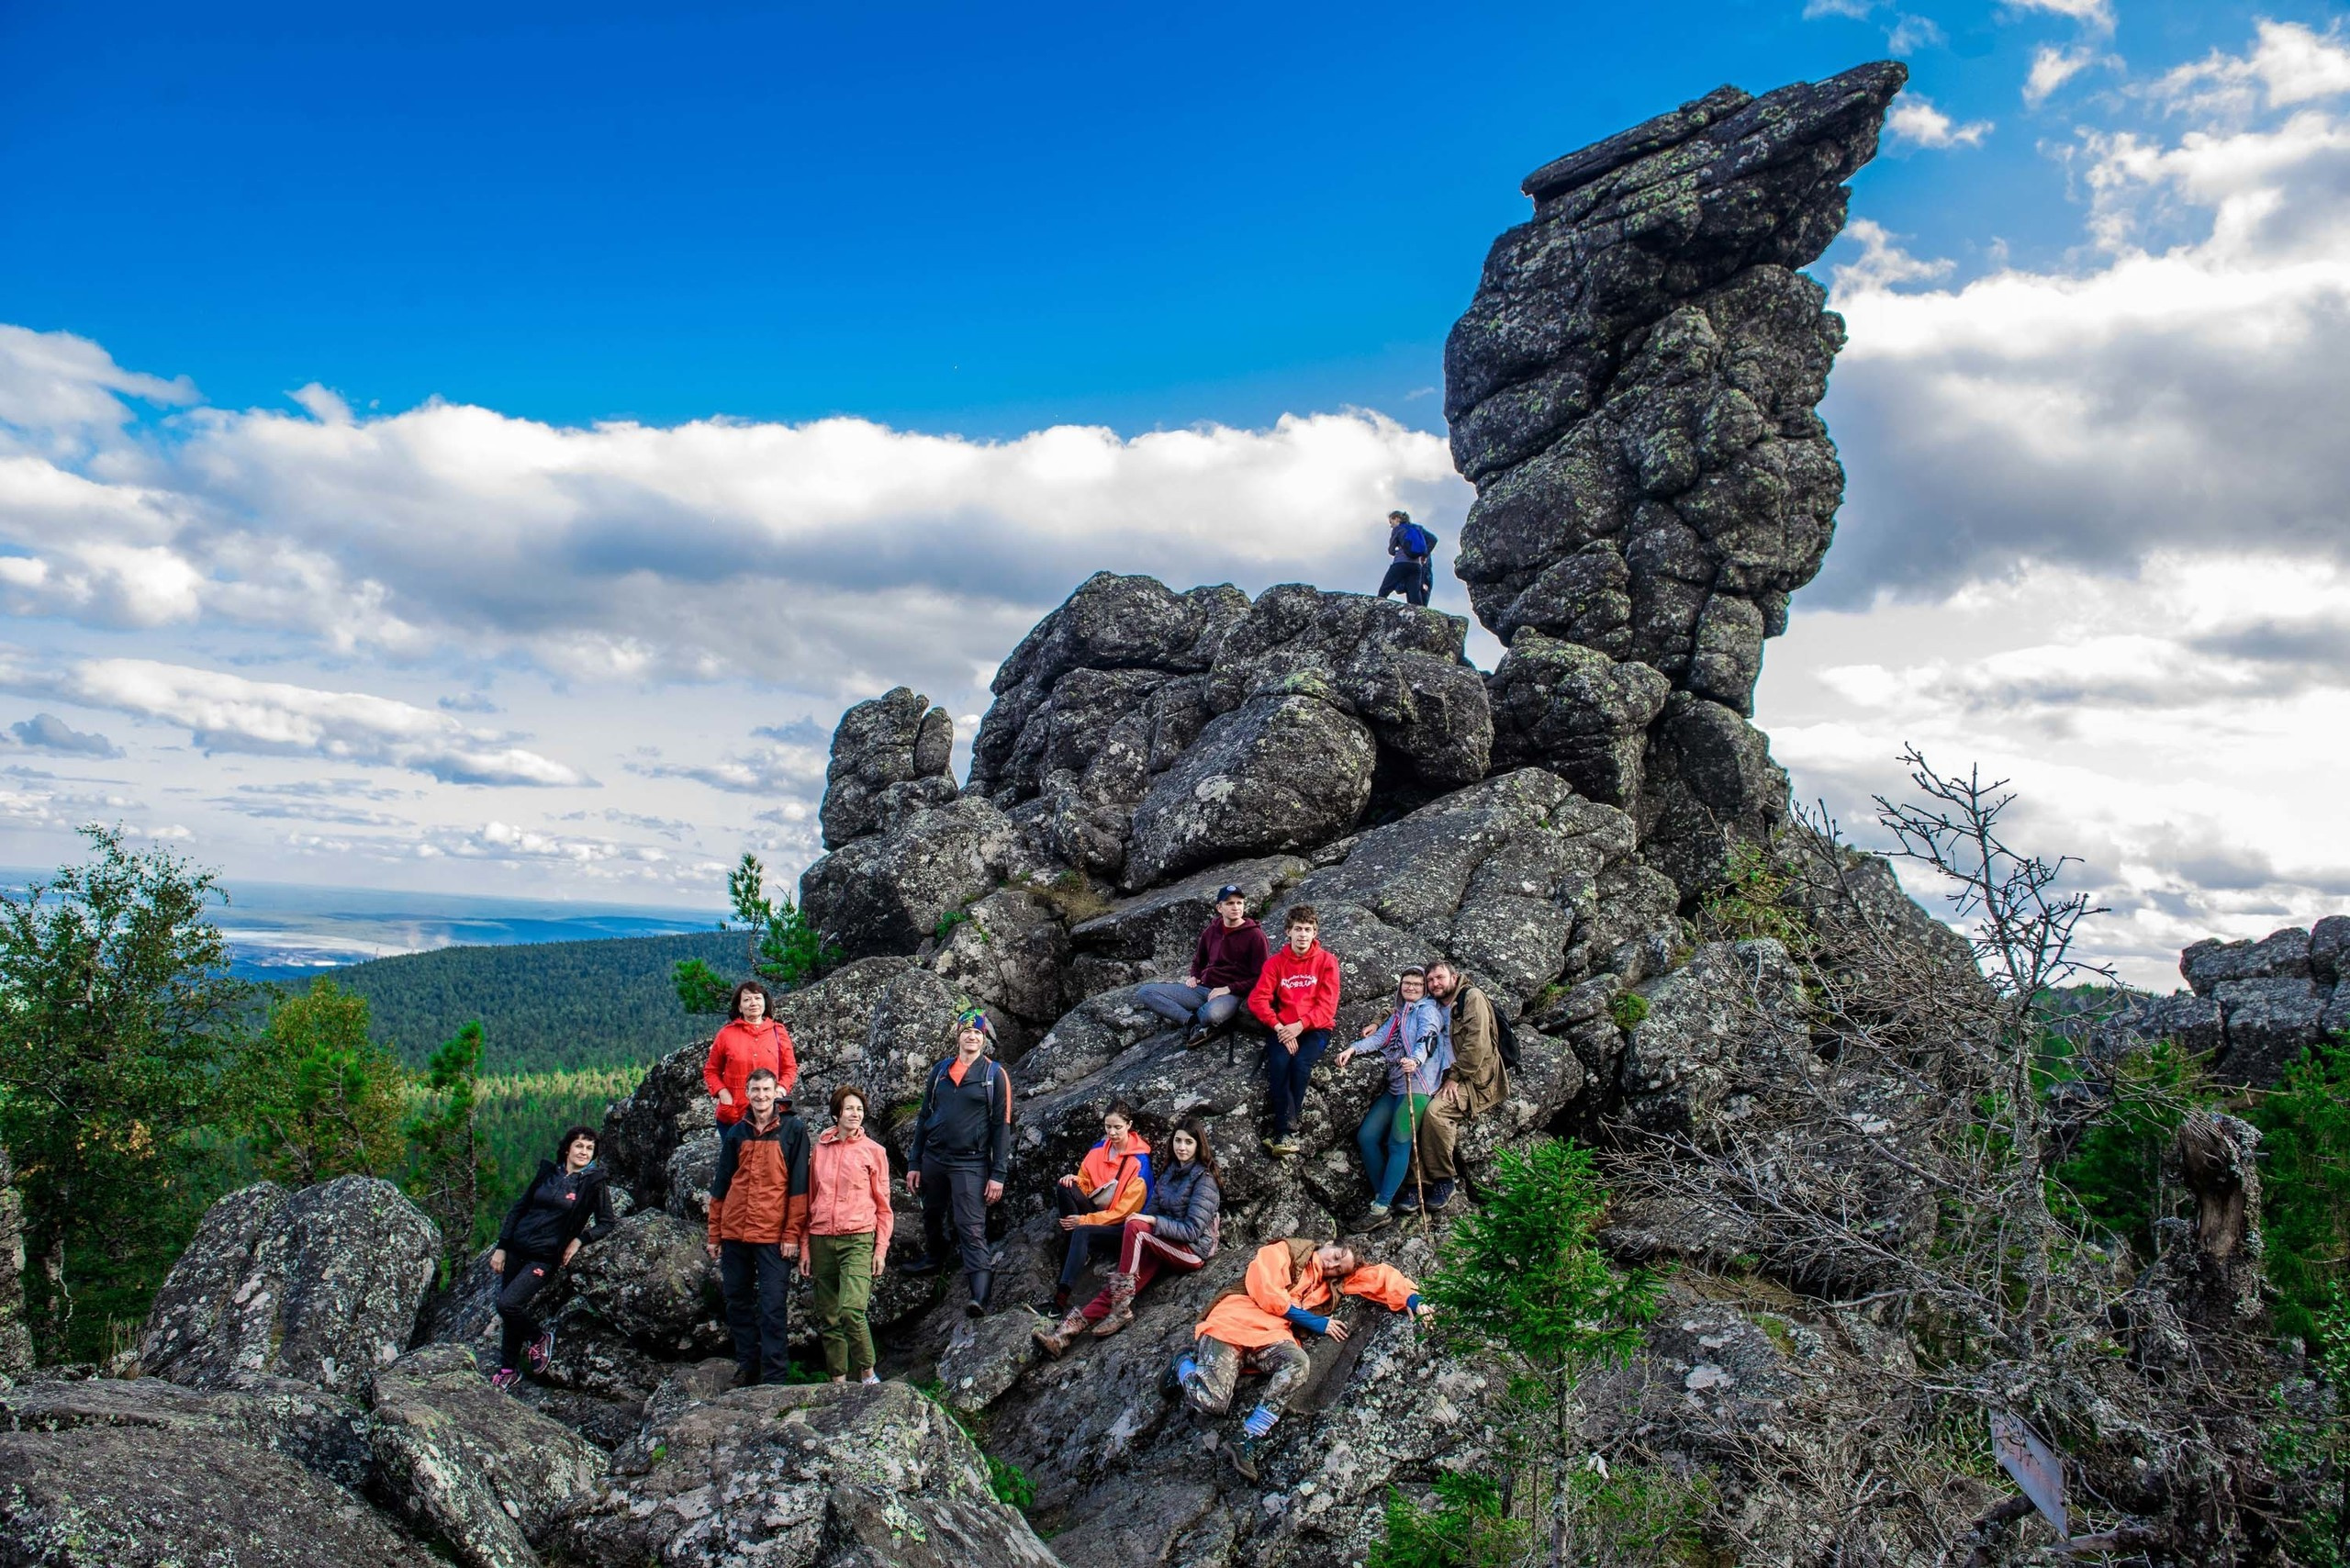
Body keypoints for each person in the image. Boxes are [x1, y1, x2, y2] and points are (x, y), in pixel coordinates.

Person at [1172, 1238, 1431, 1479]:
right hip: (1232, 1323)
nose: (1332, 1265)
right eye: (1335, 1256)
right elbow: (1267, 1292)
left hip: (1272, 1337)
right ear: (1327, 1244)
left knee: (1298, 1363)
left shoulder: (1328, 1285)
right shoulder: (1285, 1251)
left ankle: (1249, 1436)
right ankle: (1182, 1364)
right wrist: (1316, 1322)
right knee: (1213, 1403)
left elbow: (1380, 1277)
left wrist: (1413, 1299)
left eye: (1339, 1269)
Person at [1035, 1115, 1222, 1356]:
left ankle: (1121, 1309)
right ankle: (1062, 1337)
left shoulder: (1204, 1180)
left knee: (1135, 1227)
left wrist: (1151, 1221)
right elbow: (1153, 1208)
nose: (1182, 1147)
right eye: (1178, 1141)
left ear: (1198, 1146)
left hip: (1192, 1251)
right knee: (1121, 1284)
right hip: (1163, 1242)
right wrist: (1150, 1220)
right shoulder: (1169, 1173)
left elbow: (1192, 1230)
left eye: (1188, 1142)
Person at [487, 1124, 616, 1391]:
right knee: (511, 1310)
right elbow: (520, 1208)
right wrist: (502, 1246)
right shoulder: (549, 1173)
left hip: (544, 1258)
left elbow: (607, 1222)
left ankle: (538, 1338)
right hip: (516, 1250)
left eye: (590, 1148)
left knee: (507, 1304)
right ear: (567, 1148)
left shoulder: (593, 1183)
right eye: (579, 1146)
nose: (584, 1151)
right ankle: (508, 1369)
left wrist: (580, 1240)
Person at [902, 1009, 1013, 1316]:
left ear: (984, 1039)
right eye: (966, 1031)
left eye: (977, 1032)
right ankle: (934, 1258)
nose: (971, 1036)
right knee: (932, 1213)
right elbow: (924, 1115)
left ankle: (979, 1294)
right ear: (958, 1036)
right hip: (934, 1158)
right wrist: (915, 1162)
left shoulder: (994, 1075)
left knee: (970, 1226)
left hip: (971, 1163)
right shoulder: (940, 1071)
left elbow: (1001, 1126)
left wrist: (998, 1174)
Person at [704, 1068, 811, 1387]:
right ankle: (747, 1367)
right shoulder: (737, 1133)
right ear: (747, 1094)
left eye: (767, 1090)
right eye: (755, 1090)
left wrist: (792, 1234)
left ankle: (775, 1376)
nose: (761, 1096)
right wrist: (714, 1233)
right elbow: (721, 1185)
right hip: (735, 1232)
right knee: (737, 1301)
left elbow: (799, 1187)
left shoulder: (793, 1130)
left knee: (772, 1305)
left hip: (773, 1235)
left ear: (776, 1093)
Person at [1333, 967, 1450, 1229]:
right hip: (1397, 1085)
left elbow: (1428, 1038)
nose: (1411, 988)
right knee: (1367, 1136)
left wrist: (1416, 1059)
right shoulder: (1400, 1013)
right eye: (1406, 983)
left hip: (1418, 1085)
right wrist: (1353, 1049)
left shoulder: (1427, 1010)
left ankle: (1380, 1207)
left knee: (1398, 1141)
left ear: (1425, 988)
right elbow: (1381, 1038)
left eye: (1417, 984)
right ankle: (1384, 1196)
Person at [798, 1082, 893, 1385]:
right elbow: (809, 1199)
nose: (855, 1114)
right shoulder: (819, 1150)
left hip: (858, 1237)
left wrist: (880, 1249)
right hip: (821, 1237)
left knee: (852, 1309)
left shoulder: (874, 1152)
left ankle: (867, 1373)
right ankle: (837, 1381)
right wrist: (804, 1247)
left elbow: (884, 1205)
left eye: (860, 1109)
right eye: (849, 1108)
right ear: (837, 1112)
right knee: (828, 1316)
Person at [1412, 961, 1512, 1215]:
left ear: (1454, 977)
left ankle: (1444, 1181)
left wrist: (1455, 1077)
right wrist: (1378, 1020)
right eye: (1430, 980)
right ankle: (1417, 1185)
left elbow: (1476, 1046)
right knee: (1416, 1109)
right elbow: (1402, 1004)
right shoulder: (1436, 1004)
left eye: (1440, 978)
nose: (1435, 983)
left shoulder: (1472, 997)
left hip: (1476, 1079)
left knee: (1437, 1113)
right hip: (1445, 1075)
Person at [1039, 1102, 1153, 1315]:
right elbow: (1087, 1182)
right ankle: (1080, 1248)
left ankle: (1058, 1303)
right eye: (1108, 1127)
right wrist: (1075, 1180)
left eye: (1118, 1127)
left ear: (1129, 1125)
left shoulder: (1139, 1163)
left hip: (1123, 1228)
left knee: (1082, 1230)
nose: (1112, 1132)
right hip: (1099, 1212)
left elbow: (1124, 1213)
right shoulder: (1099, 1150)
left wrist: (1083, 1221)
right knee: (1066, 1185)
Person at [1247, 905, 1341, 1157]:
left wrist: (1298, 1026)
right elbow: (1257, 1000)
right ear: (1288, 931)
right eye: (1298, 929)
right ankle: (1285, 1132)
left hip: (1315, 1029)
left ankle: (1284, 1130)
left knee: (1300, 1064)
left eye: (1308, 930)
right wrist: (1279, 1028)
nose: (1303, 935)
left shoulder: (1327, 962)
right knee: (1278, 1064)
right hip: (1282, 1027)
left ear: (1315, 932)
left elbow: (1327, 1007)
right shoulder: (1275, 964)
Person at [1136, 885, 1269, 1046]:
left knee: (1212, 1014)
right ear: (1219, 908)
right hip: (1204, 989)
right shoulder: (1211, 931)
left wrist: (1229, 989)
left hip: (1231, 994)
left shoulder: (1255, 935)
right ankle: (1192, 1022)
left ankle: (1203, 1020)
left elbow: (1261, 977)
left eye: (1239, 903)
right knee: (1146, 992)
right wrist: (1194, 975)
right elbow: (1198, 961)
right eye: (1230, 903)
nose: (1236, 907)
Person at [703, 980, 800, 1127]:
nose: (753, 1003)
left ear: (765, 1003)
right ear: (740, 1007)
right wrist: (723, 1094)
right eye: (747, 1000)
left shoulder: (778, 1032)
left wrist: (779, 1091)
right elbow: (711, 1070)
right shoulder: (726, 1034)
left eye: (757, 998)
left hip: (770, 1114)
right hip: (734, 1115)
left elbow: (790, 1069)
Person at [1376, 510, 1436, 609]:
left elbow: (1391, 549)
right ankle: (1420, 616)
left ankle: (1375, 608)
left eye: (1391, 522)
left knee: (1385, 588)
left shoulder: (1398, 529)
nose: (1391, 525)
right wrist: (1424, 555)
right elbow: (1433, 539)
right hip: (1416, 566)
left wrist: (1396, 552)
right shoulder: (1418, 528)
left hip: (1401, 564)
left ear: (1397, 519)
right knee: (1414, 594)